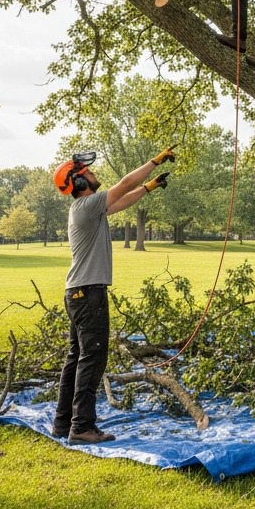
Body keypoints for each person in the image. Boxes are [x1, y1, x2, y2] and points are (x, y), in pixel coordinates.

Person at [50, 144, 176, 444]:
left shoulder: (88, 208)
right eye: (89, 172)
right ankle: (81, 427)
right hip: (88, 294)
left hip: (77, 293)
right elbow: (123, 185)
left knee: (76, 358)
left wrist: (149, 187)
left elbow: (122, 199)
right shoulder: (86, 206)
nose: (94, 175)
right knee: (91, 360)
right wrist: (154, 161)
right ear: (79, 182)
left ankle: (62, 423)